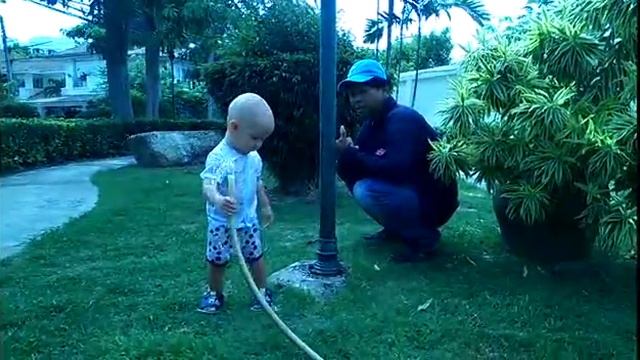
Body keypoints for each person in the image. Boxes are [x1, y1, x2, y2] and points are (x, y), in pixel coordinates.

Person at [336, 59, 459, 263]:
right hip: (411, 192)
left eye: (362, 92)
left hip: (434, 200)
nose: (355, 99)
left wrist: (353, 155)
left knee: (367, 190)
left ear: (383, 89)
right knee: (358, 182)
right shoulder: (371, 124)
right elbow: (351, 171)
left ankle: (424, 238)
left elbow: (398, 168)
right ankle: (396, 229)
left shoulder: (402, 119)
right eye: (351, 95)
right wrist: (346, 154)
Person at [197, 92, 276, 313]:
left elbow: (257, 182)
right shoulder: (219, 157)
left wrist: (265, 205)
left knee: (255, 255)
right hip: (222, 222)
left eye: (262, 139)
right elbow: (208, 186)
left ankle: (262, 291)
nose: (259, 144)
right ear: (234, 127)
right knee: (217, 259)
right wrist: (219, 200)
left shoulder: (253, 157)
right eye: (255, 138)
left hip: (248, 219)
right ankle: (214, 293)